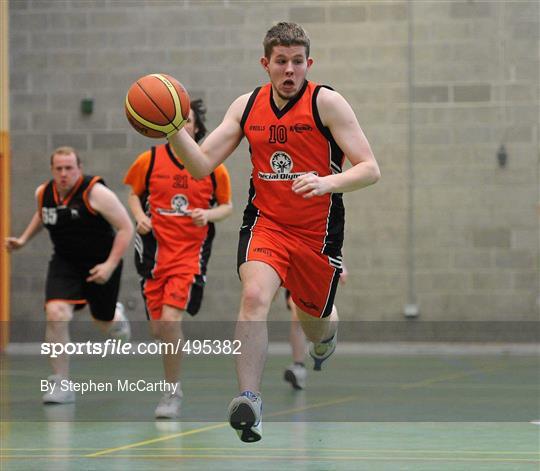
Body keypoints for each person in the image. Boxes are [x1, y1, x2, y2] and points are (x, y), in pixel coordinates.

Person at [165, 22, 380, 442]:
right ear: (266, 63)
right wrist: (174, 129)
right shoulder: (247, 106)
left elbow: (370, 168)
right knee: (254, 296)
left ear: (308, 63)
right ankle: (250, 399)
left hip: (317, 233)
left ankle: (326, 334)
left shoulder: (327, 103)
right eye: (281, 61)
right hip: (267, 223)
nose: (289, 70)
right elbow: (200, 165)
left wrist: (326, 182)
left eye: (297, 62)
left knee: (314, 322)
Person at [124, 99, 233, 419]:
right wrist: (137, 217)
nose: (180, 126)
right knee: (159, 330)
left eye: (185, 121)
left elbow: (227, 206)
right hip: (155, 255)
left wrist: (208, 213)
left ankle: (171, 391)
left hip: (189, 255)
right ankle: (172, 385)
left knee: (171, 322)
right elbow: (132, 194)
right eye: (174, 121)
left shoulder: (213, 166)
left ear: (196, 128)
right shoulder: (149, 160)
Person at [5, 146, 134, 404]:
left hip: (101, 263)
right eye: (59, 169)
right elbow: (42, 216)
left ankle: (116, 317)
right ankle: (61, 382)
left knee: (103, 322)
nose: (64, 173)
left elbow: (125, 228)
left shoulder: (96, 193)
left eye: (69, 168)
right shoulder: (43, 193)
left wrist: (109, 265)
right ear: (52, 170)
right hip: (65, 263)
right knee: (55, 314)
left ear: (79, 168)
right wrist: (22, 240)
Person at [283, 264, 348, 390]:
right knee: (296, 313)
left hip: (319, 269)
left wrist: (340, 264)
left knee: (321, 315)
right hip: (296, 270)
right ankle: (298, 366)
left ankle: (327, 336)